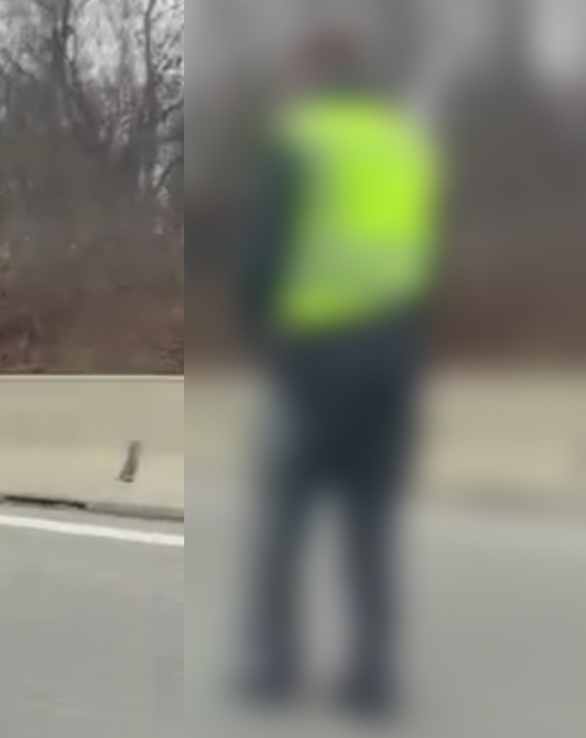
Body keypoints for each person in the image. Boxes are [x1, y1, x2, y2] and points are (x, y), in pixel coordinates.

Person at [236, 25, 444, 718]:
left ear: (314, 71)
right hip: (396, 355)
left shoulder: (303, 142)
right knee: (370, 520)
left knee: (286, 514)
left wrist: (261, 336)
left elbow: (266, 254)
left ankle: (273, 661)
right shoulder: (406, 148)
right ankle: (372, 671)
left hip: (321, 355)